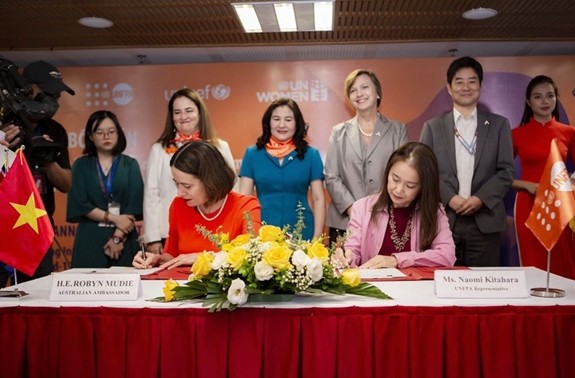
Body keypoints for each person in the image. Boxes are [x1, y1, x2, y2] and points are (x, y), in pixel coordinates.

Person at [420, 56, 514, 267]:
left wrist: (480, 198)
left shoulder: (499, 125)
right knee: (441, 287)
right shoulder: (433, 127)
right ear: (449, 88)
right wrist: (450, 198)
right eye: (459, 81)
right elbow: (425, 171)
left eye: (472, 81)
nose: (466, 87)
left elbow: (506, 171)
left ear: (480, 86)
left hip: (485, 220)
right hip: (443, 219)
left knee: (483, 289)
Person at [0, 60, 74, 285]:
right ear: (27, 89)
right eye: (49, 93)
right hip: (4, 225)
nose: (55, 101)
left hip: (35, 226)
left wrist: (48, 159)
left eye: (58, 95)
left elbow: (67, 184)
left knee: (37, 297)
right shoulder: (4, 123)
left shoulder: (55, 130)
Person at [133, 141, 261, 270]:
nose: (180, 192)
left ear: (210, 181)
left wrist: (204, 258)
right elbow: (171, 256)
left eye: (187, 186)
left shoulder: (246, 206)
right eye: (176, 184)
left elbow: (251, 255)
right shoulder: (178, 206)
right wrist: (156, 260)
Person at [143, 88, 236, 256]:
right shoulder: (159, 149)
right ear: (171, 117)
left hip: (214, 231)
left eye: (189, 110)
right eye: (177, 112)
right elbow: (151, 194)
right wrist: (152, 237)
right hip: (171, 232)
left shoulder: (220, 146)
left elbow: (231, 191)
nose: (183, 117)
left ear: (200, 113)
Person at [335, 142, 455, 268]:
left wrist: (397, 260)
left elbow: (447, 255)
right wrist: (348, 256)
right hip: (372, 285)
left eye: (410, 186)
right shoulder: (362, 208)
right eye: (395, 179)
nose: (398, 190)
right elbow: (353, 249)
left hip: (415, 287)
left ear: (423, 187)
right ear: (387, 173)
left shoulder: (434, 211)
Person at [324, 69, 408, 245]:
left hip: (387, 219)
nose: (359, 93)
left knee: (384, 271)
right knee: (344, 271)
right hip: (345, 222)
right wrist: (352, 209)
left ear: (377, 92)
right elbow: (331, 176)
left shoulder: (397, 130)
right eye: (353, 90)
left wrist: (381, 207)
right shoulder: (338, 132)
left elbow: (405, 174)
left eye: (364, 87)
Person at [511, 75, 575, 279]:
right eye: (538, 97)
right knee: (533, 263)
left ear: (556, 98)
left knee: (562, 259)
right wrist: (526, 185)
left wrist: (569, 184)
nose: (545, 101)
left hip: (560, 206)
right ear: (529, 102)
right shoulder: (516, 134)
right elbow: (499, 175)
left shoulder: (569, 132)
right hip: (527, 205)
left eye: (550, 96)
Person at [239, 98, 325, 240]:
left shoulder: (311, 155)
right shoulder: (252, 154)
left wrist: (317, 237)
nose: (282, 125)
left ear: (297, 123)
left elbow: (319, 199)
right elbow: (245, 199)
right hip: (261, 233)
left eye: (288, 120)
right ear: (268, 122)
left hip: (302, 232)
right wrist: (249, 237)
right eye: (276, 119)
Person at [66, 111, 143, 268]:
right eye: (99, 132)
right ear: (90, 136)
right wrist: (115, 218)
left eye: (111, 131)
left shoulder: (130, 164)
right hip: (90, 237)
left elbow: (134, 203)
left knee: (125, 288)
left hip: (124, 237)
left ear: (118, 133)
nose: (106, 136)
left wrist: (117, 238)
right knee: (86, 288)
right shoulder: (80, 165)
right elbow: (81, 203)